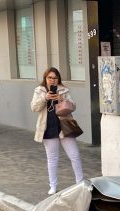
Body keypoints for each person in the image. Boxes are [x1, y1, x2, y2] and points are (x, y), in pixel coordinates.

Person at [31, 67, 84, 195]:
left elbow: (73, 106)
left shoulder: (63, 90)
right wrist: (45, 97)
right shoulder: (39, 91)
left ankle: (80, 183)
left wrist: (61, 98)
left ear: (58, 79)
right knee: (52, 158)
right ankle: (53, 186)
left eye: (55, 78)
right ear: (45, 78)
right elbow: (34, 107)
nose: (52, 80)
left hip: (64, 126)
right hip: (48, 127)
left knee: (74, 155)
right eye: (50, 78)